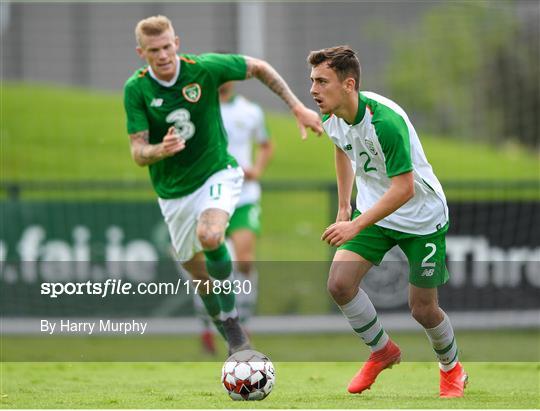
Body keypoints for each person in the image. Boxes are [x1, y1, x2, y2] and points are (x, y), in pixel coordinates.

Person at [123, 15, 322, 355]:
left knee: (211, 235)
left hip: (218, 172)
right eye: (154, 50)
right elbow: (138, 153)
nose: (163, 55)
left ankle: (237, 326)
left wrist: (297, 107)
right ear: (142, 52)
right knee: (197, 273)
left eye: (168, 46)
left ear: (177, 44)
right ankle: (229, 329)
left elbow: (258, 67)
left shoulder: (203, 68)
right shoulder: (136, 89)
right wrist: (161, 149)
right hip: (173, 193)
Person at [307, 45, 468, 398]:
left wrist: (355, 225)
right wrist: (343, 208)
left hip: (421, 217)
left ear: (348, 84)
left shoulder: (385, 122)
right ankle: (382, 351)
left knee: (423, 309)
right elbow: (341, 148)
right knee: (339, 284)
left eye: (322, 81)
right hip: (373, 210)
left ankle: (451, 368)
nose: (313, 90)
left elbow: (404, 189)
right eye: (312, 81)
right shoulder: (331, 115)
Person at [198, 80, 274, 354]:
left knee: (244, 259)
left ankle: (245, 319)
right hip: (209, 195)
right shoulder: (201, 109)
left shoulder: (250, 111)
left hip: (244, 196)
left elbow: (266, 145)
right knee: (207, 266)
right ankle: (208, 325)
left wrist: (257, 169)